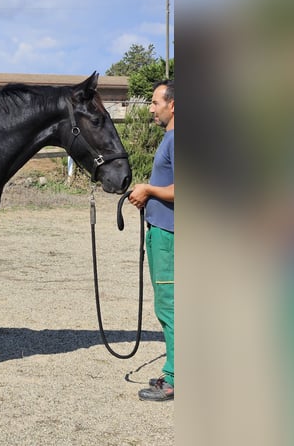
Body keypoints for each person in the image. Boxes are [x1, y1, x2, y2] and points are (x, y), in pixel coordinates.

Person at [128, 79, 175, 402]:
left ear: (174, 105)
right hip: (163, 230)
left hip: (169, 235)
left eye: (156, 102)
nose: (151, 108)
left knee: (169, 305)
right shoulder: (170, 138)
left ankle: (175, 378)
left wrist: (148, 190)